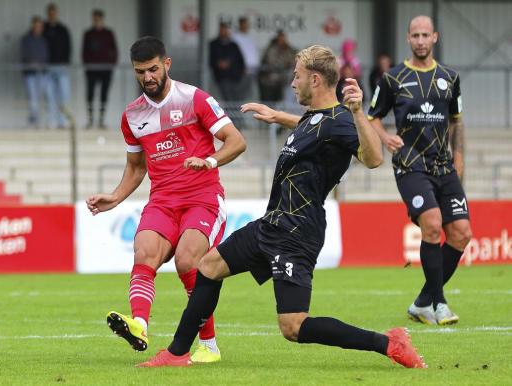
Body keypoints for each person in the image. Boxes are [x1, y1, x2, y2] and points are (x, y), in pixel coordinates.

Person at [138, 45, 425, 369]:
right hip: (272, 223)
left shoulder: (342, 120)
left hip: (297, 231)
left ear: (314, 80)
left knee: (293, 326)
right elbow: (312, 126)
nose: (291, 82)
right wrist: (278, 117)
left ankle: (389, 342)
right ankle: (177, 353)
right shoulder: (314, 118)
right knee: (208, 267)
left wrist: (358, 112)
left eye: (297, 76)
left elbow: (373, 159)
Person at [86, 36, 246, 363]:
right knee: (144, 251)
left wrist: (210, 160)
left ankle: (209, 346)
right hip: (162, 201)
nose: (148, 77)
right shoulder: (132, 116)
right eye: (140, 71)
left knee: (187, 261)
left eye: (153, 69)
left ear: (167, 64)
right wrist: (115, 197)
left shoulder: (195, 99)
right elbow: (135, 166)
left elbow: (236, 141)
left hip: (203, 198)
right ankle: (139, 325)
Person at [367, 15, 472, 325]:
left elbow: (457, 121)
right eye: (416, 35)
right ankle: (439, 303)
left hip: (444, 166)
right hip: (410, 166)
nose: (421, 40)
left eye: (426, 35)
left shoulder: (450, 78)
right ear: (408, 39)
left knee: (461, 234)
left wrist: (460, 158)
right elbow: (373, 116)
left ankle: (422, 302)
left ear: (435, 38)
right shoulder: (392, 78)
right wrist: (385, 137)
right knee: (433, 223)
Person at [82, 9, 118, 129]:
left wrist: (111, 64)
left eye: (98, 19)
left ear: (102, 19)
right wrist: (87, 64)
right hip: (92, 69)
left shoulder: (108, 33)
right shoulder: (88, 34)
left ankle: (101, 120)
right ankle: (91, 120)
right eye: (95, 19)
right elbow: (84, 51)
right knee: (90, 95)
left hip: (105, 69)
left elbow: (114, 50)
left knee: (104, 94)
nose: (96, 21)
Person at [21, 16, 57, 129]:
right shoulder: (26, 40)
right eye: (36, 26)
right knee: (33, 99)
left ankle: (50, 122)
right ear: (33, 26)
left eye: (40, 26)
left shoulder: (44, 40)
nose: (38, 28)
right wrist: (33, 64)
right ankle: (34, 123)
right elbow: (25, 56)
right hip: (30, 74)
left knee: (49, 97)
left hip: (43, 73)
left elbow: (47, 56)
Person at [44, 3, 71, 128]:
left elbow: (68, 47)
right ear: (47, 14)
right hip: (47, 67)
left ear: (56, 13)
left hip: (61, 66)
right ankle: (51, 122)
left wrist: (66, 61)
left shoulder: (62, 29)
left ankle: (63, 122)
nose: (52, 15)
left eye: (54, 13)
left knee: (63, 96)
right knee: (49, 96)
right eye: (50, 13)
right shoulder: (43, 29)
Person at [209, 22, 245, 102]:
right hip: (221, 77)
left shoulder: (233, 45)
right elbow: (210, 60)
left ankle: (234, 114)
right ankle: (228, 114)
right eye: (222, 30)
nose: (224, 32)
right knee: (226, 99)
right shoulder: (213, 44)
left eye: (225, 30)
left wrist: (241, 70)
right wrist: (218, 64)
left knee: (235, 99)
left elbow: (240, 59)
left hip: (235, 77)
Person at [258, 30, 297, 102]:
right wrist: (285, 63)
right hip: (269, 83)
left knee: (279, 103)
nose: (282, 40)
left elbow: (294, 59)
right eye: (280, 38)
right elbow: (272, 62)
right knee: (269, 103)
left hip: (282, 82)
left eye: (283, 38)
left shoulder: (288, 48)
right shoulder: (271, 49)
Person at [233, 16, 259, 100]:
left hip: (253, 69)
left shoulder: (250, 37)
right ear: (240, 24)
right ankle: (237, 112)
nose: (245, 26)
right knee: (240, 93)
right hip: (242, 70)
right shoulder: (235, 37)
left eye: (247, 24)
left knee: (250, 93)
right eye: (244, 24)